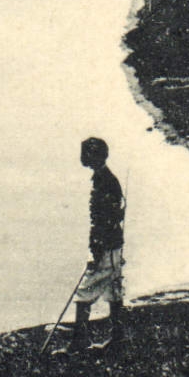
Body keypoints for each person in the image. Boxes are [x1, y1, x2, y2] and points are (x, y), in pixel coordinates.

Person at [67, 137, 125, 355]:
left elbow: (103, 220)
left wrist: (95, 250)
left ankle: (80, 340)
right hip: (114, 244)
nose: (83, 158)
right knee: (113, 290)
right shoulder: (107, 179)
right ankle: (117, 338)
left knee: (84, 292)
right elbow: (113, 215)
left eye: (86, 154)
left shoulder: (104, 182)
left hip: (107, 246)